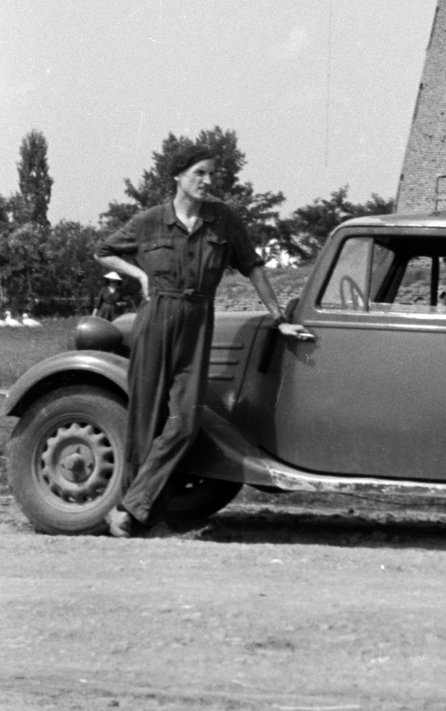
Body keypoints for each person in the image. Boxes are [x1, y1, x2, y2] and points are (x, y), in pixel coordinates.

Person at [95, 142, 301, 538]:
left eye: (211, 174)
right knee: (145, 421)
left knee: (185, 422)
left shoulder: (223, 220)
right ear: (178, 176)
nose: (208, 181)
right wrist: (139, 275)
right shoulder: (149, 221)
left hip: (199, 318)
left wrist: (279, 317)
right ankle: (140, 520)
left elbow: (253, 266)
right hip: (157, 317)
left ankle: (128, 507)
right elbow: (103, 251)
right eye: (199, 173)